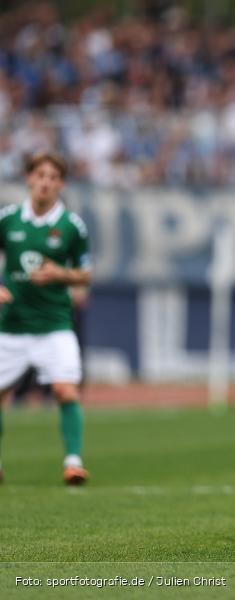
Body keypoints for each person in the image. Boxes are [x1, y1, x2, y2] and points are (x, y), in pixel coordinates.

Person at [0, 152, 92, 485]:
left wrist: (61, 275)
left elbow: (86, 275)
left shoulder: (71, 226)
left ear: (61, 184)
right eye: (40, 175)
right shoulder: (8, 219)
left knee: (66, 391)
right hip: (11, 326)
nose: (46, 182)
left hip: (54, 325)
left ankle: (73, 462)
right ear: (29, 178)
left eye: (53, 177)